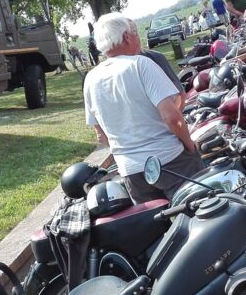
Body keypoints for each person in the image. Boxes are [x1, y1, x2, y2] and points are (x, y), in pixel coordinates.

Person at [83, 13, 201, 203]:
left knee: (156, 221)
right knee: (201, 210)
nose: (138, 38)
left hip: (131, 172)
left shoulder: (90, 79)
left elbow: (101, 136)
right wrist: (190, 146)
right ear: (127, 37)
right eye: (135, 34)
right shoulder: (141, 64)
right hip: (171, 160)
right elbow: (173, 118)